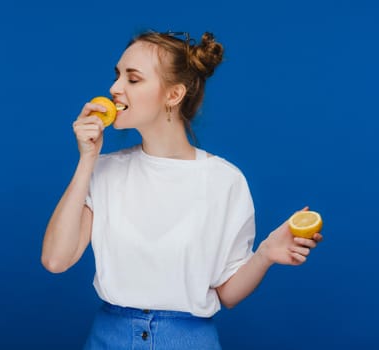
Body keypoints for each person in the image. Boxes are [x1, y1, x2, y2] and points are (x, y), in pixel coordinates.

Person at [41, 30, 323, 349]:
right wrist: (87, 159)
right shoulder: (103, 169)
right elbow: (56, 260)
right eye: (117, 75)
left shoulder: (224, 181)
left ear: (173, 95)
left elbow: (226, 294)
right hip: (109, 339)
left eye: (132, 79)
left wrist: (266, 254)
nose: (114, 89)